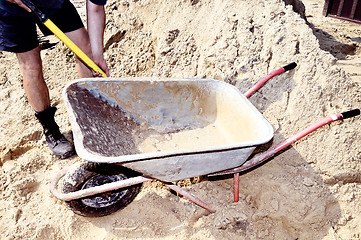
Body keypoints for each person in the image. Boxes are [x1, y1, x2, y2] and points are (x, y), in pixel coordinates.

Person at [0, 0, 110, 158]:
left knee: (85, 49)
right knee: (31, 65)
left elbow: (96, 9)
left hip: (52, 2)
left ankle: (91, 117)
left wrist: (97, 55)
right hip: (10, 8)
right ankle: (49, 128)